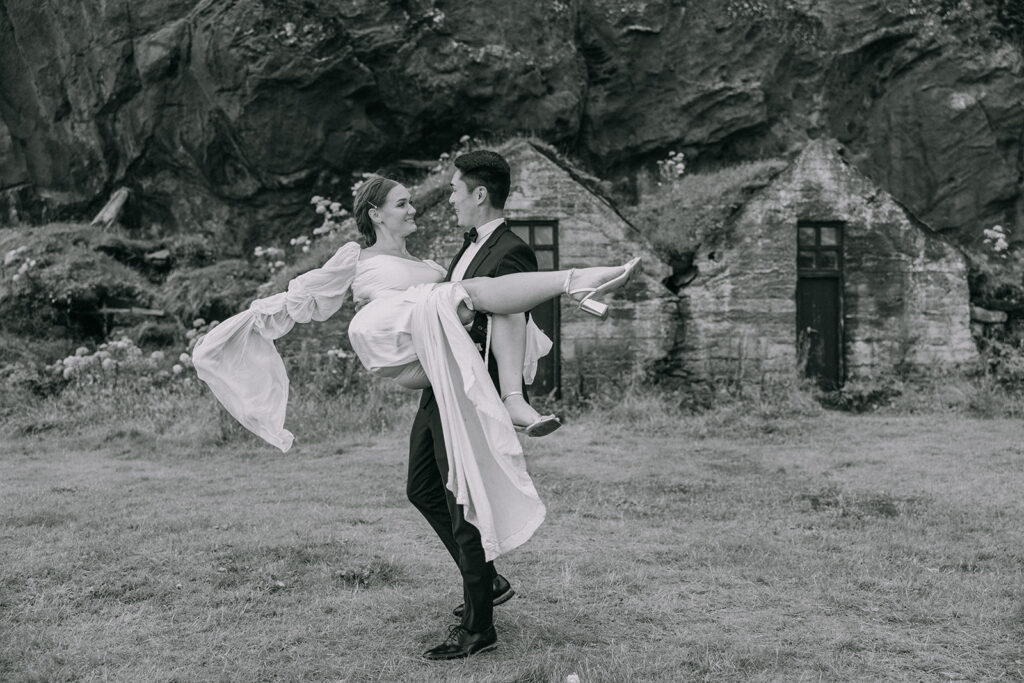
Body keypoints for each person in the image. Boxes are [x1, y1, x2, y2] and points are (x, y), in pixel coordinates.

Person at [192, 169, 640, 661]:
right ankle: (576, 283)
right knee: (427, 475)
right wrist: (248, 322)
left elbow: (497, 314)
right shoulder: (357, 258)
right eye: (402, 204)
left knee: (444, 490)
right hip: (401, 341)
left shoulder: (429, 263)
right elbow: (303, 296)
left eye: (412, 203)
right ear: (375, 213)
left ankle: (481, 615)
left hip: (444, 362)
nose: (414, 210)